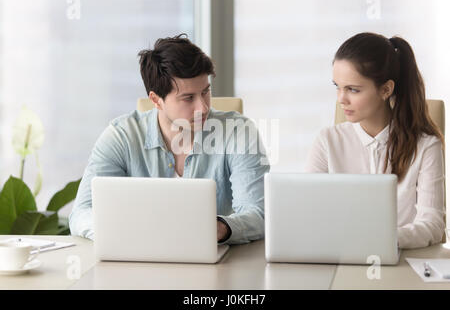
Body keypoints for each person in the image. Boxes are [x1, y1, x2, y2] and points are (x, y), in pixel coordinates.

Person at [69, 34, 269, 244]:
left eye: (205, 92)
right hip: (140, 262)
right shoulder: (121, 136)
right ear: (156, 100)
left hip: (221, 263)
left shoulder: (239, 132)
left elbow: (258, 213)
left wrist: (221, 228)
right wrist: (127, 232)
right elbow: (82, 212)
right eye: (188, 98)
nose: (203, 107)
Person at [305, 32, 445, 249]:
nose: (341, 99)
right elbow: (309, 214)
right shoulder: (327, 141)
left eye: (353, 89)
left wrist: (382, 240)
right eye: (337, 87)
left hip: (402, 265)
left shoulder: (426, 146)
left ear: (386, 90)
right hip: (339, 259)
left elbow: (433, 225)